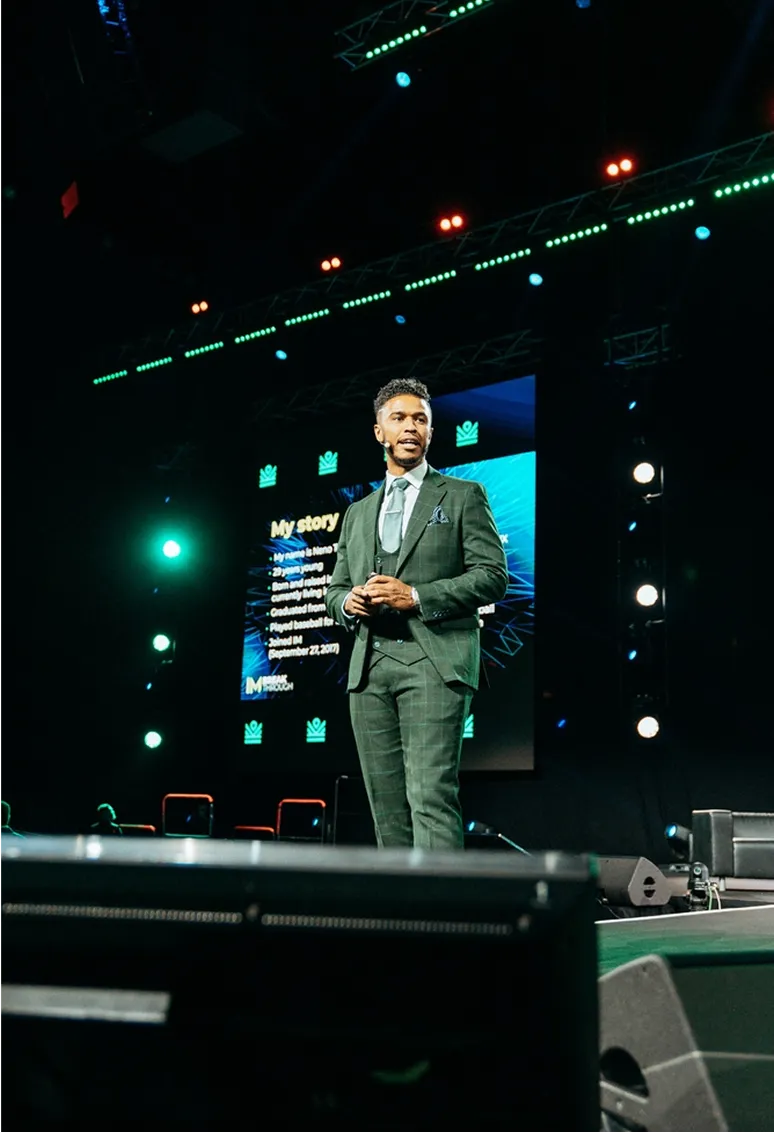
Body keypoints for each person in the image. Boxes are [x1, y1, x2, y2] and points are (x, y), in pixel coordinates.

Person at [325, 378, 508, 849]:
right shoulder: (357, 512)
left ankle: (445, 916)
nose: (411, 427)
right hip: (369, 669)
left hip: (435, 660)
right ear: (379, 432)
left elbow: (492, 575)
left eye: (421, 419)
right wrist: (350, 602)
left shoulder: (463, 494)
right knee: (386, 808)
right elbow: (335, 590)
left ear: (430, 432)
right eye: (399, 418)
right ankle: (404, 917)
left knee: (430, 796)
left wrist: (417, 596)